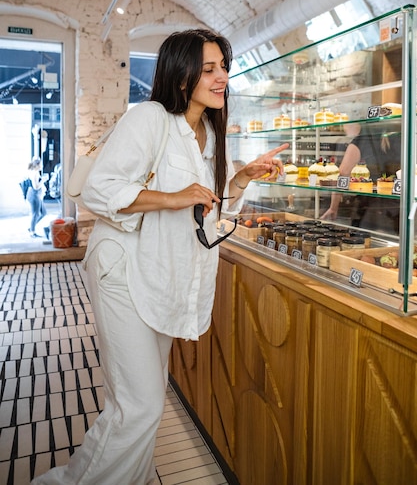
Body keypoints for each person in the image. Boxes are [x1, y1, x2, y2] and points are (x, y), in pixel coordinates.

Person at [31, 28, 288, 485]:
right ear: (181, 74)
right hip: (124, 269)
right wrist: (172, 197)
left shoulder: (207, 131)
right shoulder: (150, 117)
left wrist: (242, 178)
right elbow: (99, 190)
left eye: (223, 68)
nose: (221, 77)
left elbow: (205, 207)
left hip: (163, 270)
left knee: (139, 399)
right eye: (209, 69)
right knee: (142, 403)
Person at [321, 124, 401, 233]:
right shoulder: (403, 139)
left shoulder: (361, 140)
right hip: (399, 211)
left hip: (369, 211)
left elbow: (343, 174)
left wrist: (333, 207)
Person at [26, 157, 46, 238]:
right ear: (37, 165)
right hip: (34, 195)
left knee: (43, 212)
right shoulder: (35, 173)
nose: (42, 165)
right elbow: (36, 187)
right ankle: (32, 232)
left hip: (37, 195)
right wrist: (43, 180)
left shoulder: (35, 172)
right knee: (36, 214)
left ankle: (31, 227)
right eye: (40, 164)